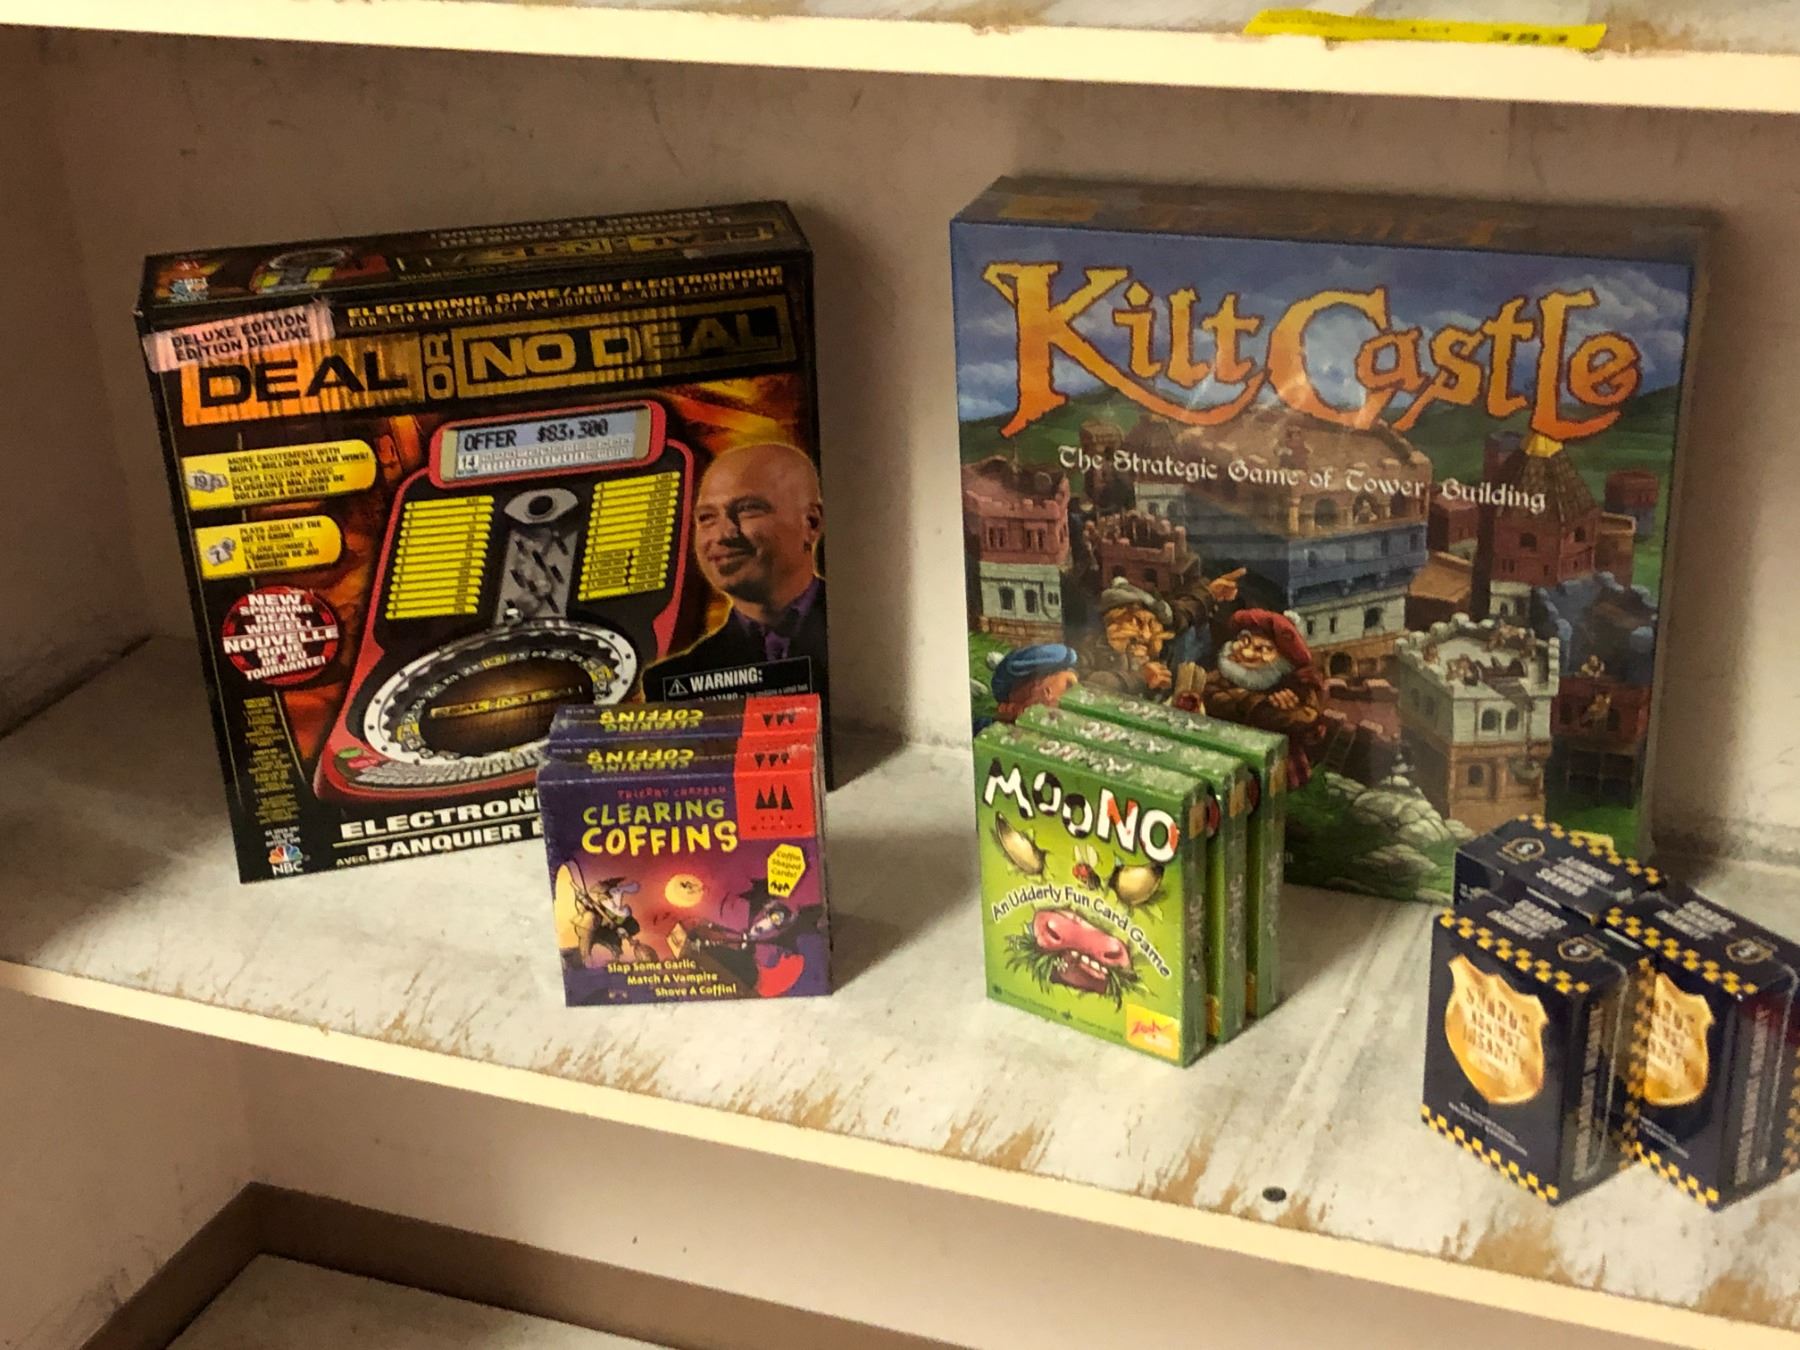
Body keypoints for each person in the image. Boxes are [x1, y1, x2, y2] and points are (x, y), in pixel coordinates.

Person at [650, 443, 826, 688]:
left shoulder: (872, 634)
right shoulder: (674, 682)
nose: (723, 534)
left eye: (748, 509)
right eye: (707, 517)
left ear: (811, 523)